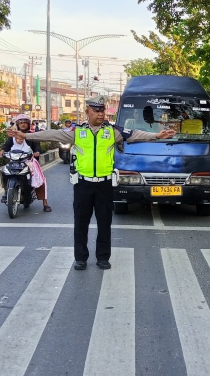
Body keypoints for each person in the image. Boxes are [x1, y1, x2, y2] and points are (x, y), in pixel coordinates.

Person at [9, 96, 176, 270]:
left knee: (105, 223)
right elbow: (51, 134)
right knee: (81, 223)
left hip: (104, 185)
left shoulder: (113, 131)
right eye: (96, 111)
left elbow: (134, 134)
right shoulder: (77, 132)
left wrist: (156, 135)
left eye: (102, 111)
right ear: (87, 111)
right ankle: (80, 258)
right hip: (83, 185)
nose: (100, 114)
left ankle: (103, 257)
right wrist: (26, 135)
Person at [0, 114, 51, 212]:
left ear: (28, 124)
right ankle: (6, 193)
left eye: (25, 123)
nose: (23, 125)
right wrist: (2, 151)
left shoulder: (31, 135)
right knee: (4, 172)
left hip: (29, 162)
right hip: (14, 161)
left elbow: (37, 146)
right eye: (20, 123)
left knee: (39, 179)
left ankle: (45, 203)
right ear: (17, 124)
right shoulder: (13, 136)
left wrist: (37, 152)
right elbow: (6, 146)